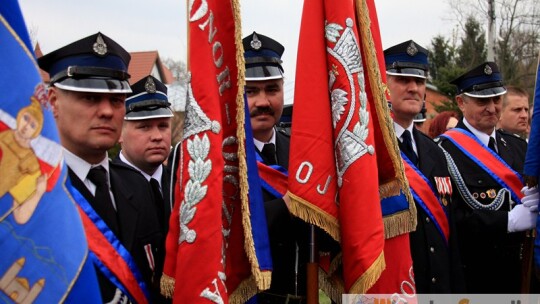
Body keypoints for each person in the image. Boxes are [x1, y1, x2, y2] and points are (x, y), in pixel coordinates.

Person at [39, 32, 163, 303]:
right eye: (90, 98)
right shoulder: (33, 193)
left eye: (117, 101)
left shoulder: (137, 185)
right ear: (52, 101)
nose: (107, 111)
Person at [436, 61, 539, 293]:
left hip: (520, 276)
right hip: (475, 278)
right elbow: (450, 218)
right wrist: (508, 221)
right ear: (461, 102)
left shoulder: (518, 147)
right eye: (482, 101)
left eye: (497, 99)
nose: (492, 108)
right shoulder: (442, 152)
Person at [384, 40, 464, 293]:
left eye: (418, 82)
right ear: (383, 85)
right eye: (403, 80)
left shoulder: (434, 152)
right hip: (390, 289)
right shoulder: (369, 150)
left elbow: (449, 234)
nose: (413, 88)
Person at [244, 31, 310, 304]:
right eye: (251, 91)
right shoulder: (221, 157)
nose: (263, 102)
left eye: (272, 89)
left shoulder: (301, 150)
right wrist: (288, 205)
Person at [113, 75, 173, 300]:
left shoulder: (183, 183)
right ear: (120, 132)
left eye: (163, 126)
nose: (157, 136)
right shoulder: (108, 186)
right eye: (144, 127)